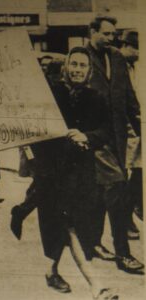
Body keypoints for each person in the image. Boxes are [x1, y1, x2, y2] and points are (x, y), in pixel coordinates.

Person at [13, 47, 119, 300]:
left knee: (74, 226)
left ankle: (51, 271)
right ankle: (97, 286)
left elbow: (107, 131)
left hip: (81, 175)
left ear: (89, 71)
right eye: (74, 65)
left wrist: (87, 137)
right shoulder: (51, 93)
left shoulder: (96, 98)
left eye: (82, 66)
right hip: (51, 173)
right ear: (66, 67)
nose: (77, 70)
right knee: (66, 226)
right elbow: (30, 123)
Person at [86, 15, 144, 274]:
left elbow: (129, 95)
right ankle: (123, 254)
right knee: (118, 189)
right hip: (93, 138)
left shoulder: (117, 58)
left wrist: (138, 121)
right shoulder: (81, 57)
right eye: (106, 34)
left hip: (117, 137)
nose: (110, 39)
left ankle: (93, 242)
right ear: (92, 32)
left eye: (113, 34)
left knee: (102, 192)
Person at [120, 30, 143, 239]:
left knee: (137, 175)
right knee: (128, 177)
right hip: (127, 130)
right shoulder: (119, 66)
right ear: (126, 45)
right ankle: (126, 220)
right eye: (135, 47)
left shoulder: (136, 67)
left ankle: (135, 211)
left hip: (138, 128)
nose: (138, 52)